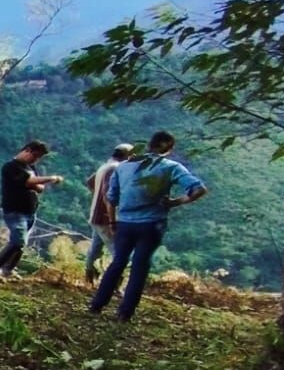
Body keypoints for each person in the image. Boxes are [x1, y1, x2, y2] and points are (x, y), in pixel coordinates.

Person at [88, 131, 208, 322]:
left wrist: (112, 222)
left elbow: (110, 198)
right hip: (152, 224)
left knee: (118, 262)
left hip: (125, 223)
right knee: (140, 266)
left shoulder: (124, 167)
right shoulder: (170, 166)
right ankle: (124, 313)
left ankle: (97, 305)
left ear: (149, 145)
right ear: (169, 148)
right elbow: (199, 189)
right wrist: (175, 202)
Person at [0, 140, 63, 279]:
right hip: (15, 211)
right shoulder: (11, 167)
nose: (36, 160)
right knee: (18, 241)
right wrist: (50, 178)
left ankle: (8, 270)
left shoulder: (30, 168)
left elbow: (39, 188)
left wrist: (35, 182)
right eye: (35, 156)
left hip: (30, 211)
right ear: (27, 151)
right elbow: (31, 182)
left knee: (21, 243)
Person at [83, 142, 135, 283]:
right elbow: (108, 195)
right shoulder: (115, 169)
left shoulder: (105, 166)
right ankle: (113, 283)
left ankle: (88, 278)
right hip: (105, 218)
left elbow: (89, 182)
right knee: (120, 253)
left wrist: (97, 198)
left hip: (96, 215)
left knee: (96, 249)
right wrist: (112, 219)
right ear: (126, 155)